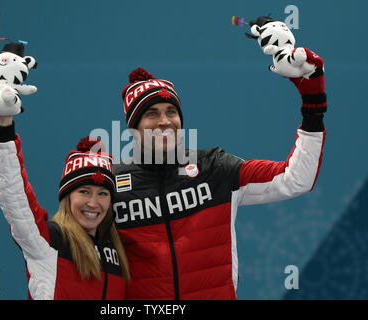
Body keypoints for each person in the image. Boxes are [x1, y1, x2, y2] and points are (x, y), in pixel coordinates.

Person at [112, 43, 327, 298]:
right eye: (151, 113)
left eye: (172, 111)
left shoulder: (214, 168)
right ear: (133, 126)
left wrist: (312, 105)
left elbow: (295, 179)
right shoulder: (111, 184)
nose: (164, 121)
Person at [0, 78, 130, 299]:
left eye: (102, 193)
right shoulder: (48, 241)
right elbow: (14, 196)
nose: (93, 203)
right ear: (67, 196)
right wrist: (5, 126)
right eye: (84, 192)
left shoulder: (118, 254)